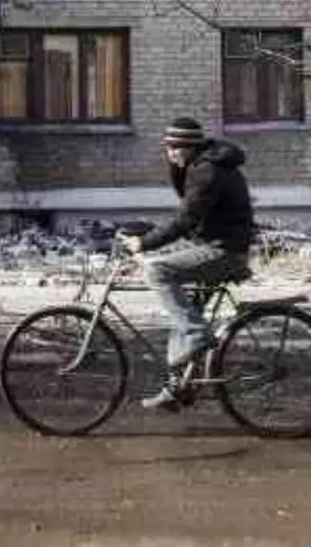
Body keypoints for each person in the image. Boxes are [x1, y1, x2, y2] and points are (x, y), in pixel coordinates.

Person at [122, 117, 255, 411]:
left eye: (173, 147)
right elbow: (190, 213)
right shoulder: (201, 166)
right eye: (167, 147)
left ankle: (196, 336)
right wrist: (148, 233)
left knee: (157, 270)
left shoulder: (207, 171)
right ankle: (178, 388)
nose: (168, 152)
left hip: (225, 252)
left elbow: (185, 220)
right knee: (183, 310)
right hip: (215, 246)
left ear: (187, 147)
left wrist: (145, 244)